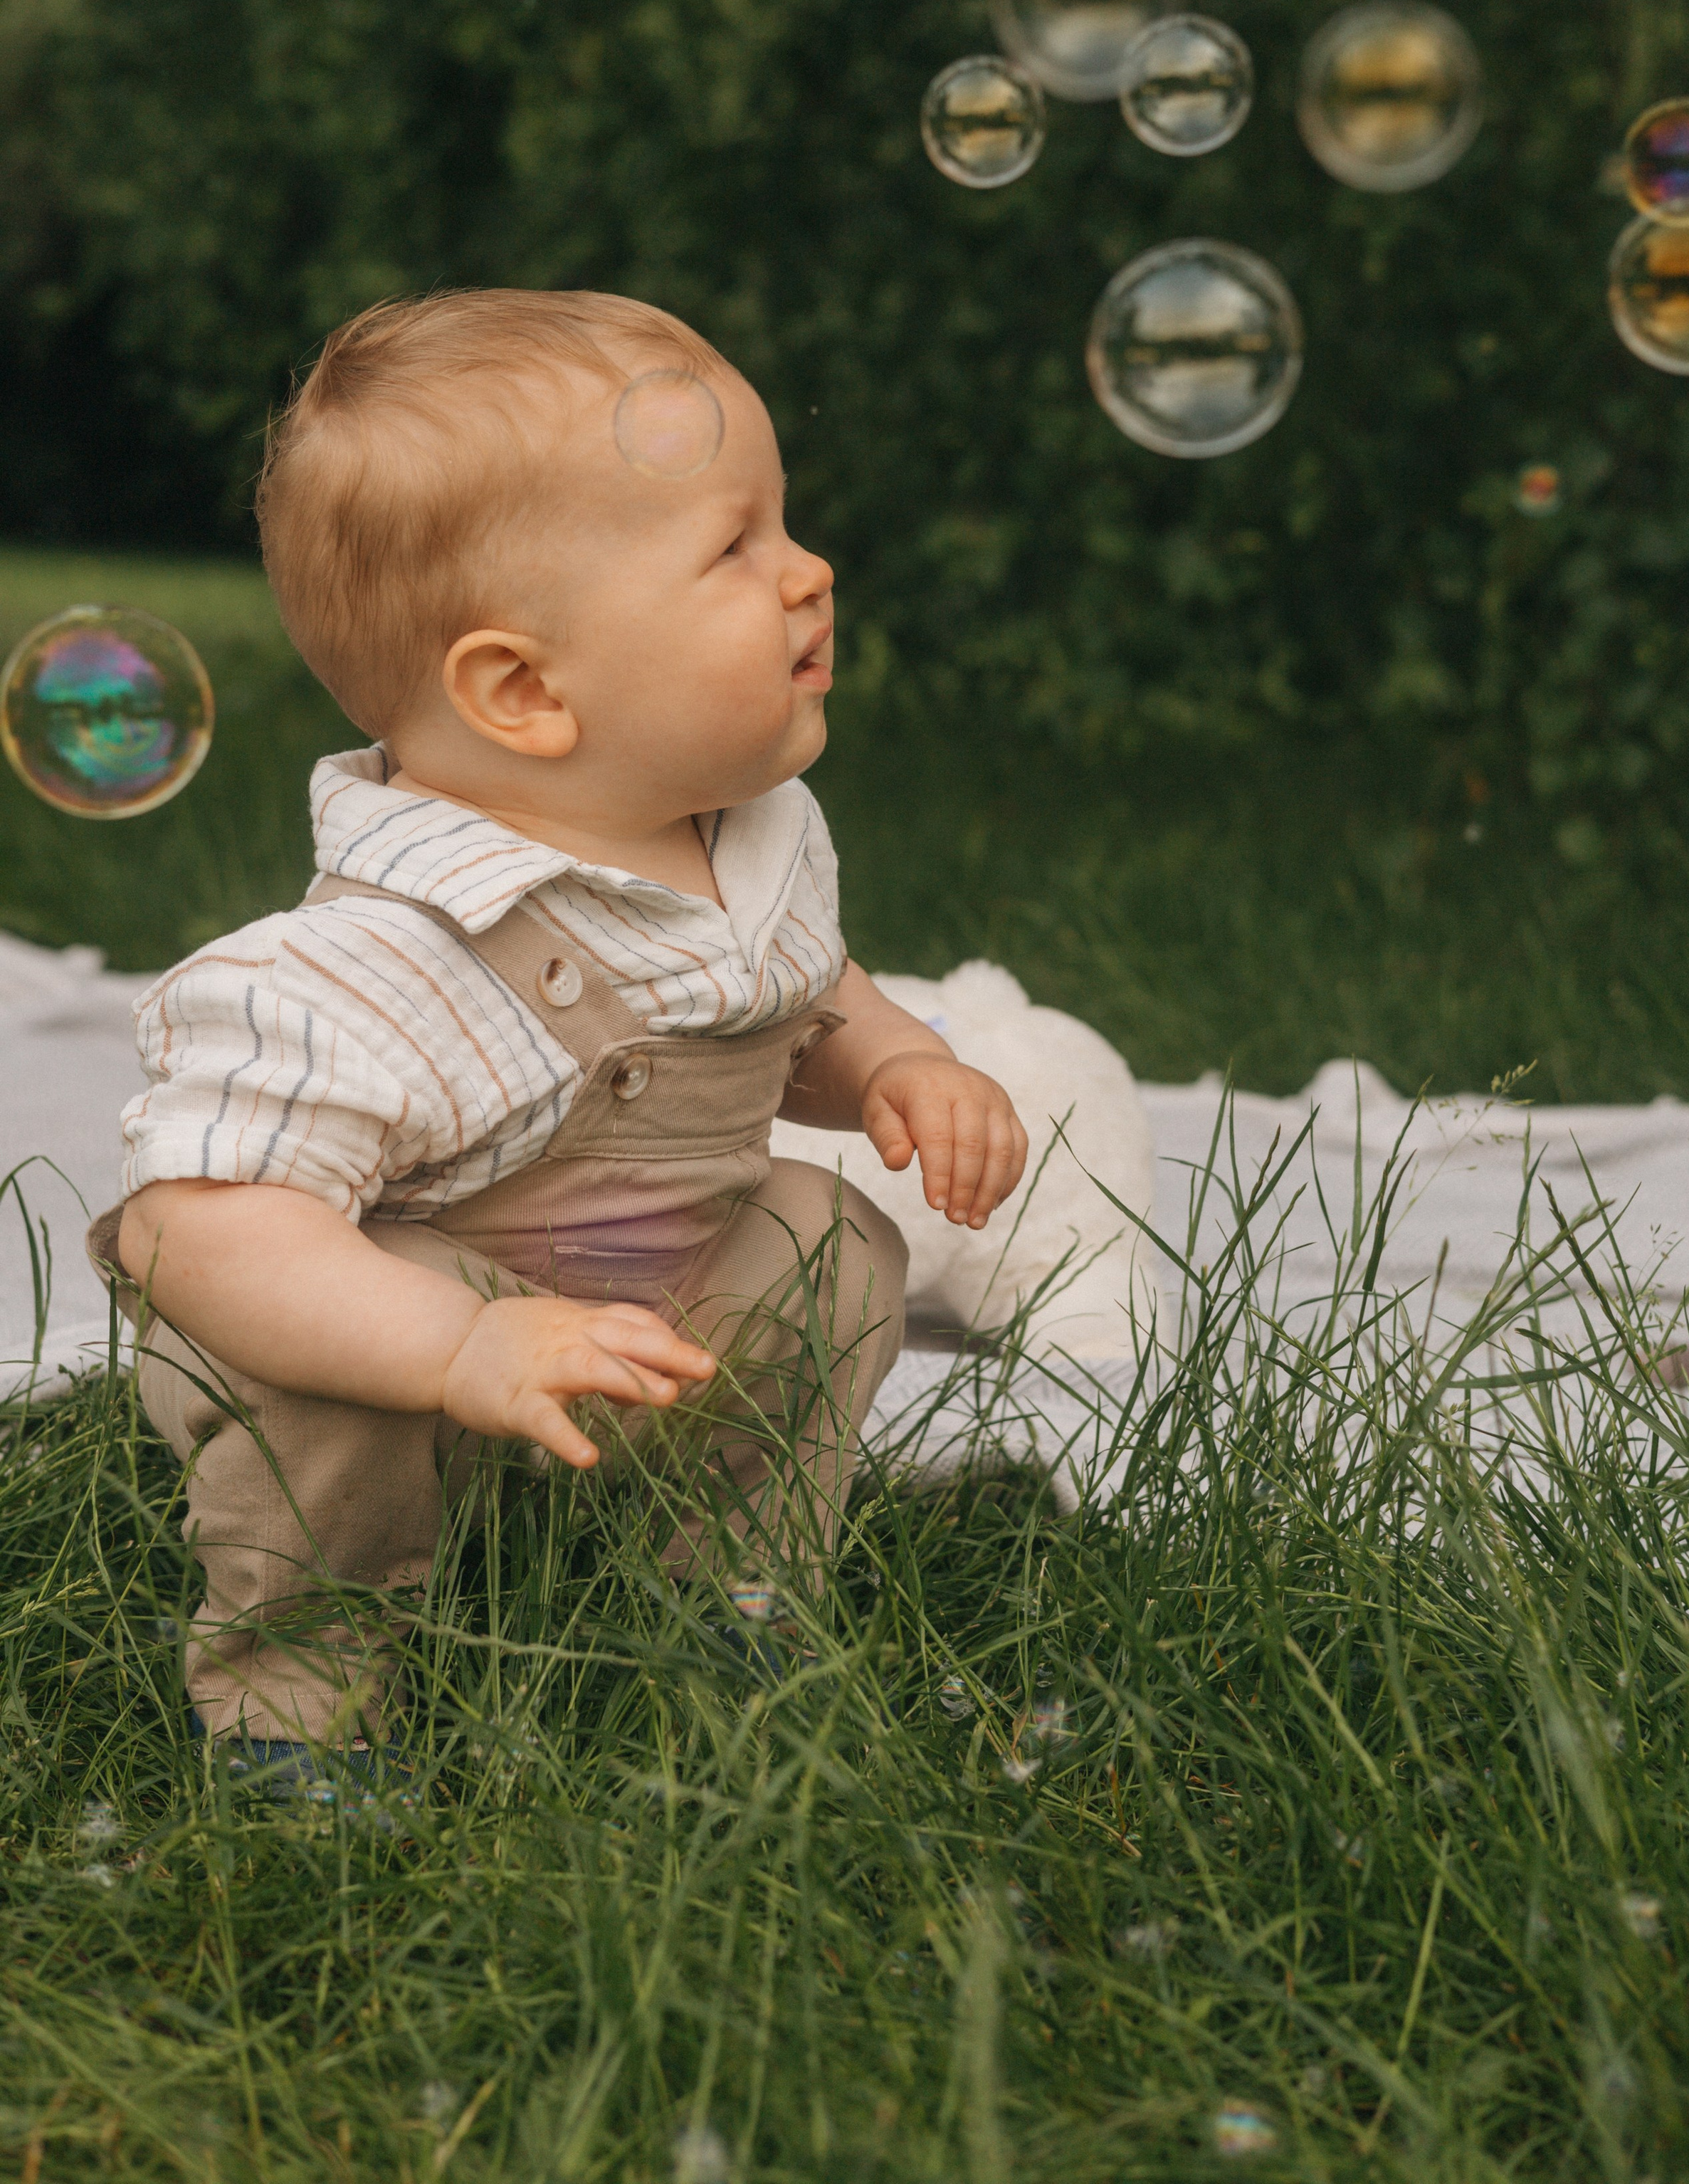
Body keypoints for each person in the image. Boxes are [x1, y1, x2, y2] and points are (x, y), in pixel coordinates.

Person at [89, 288, 1028, 1763]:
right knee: (322, 1403)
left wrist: (897, 1060)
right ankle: (299, 1709)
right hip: (396, 1346)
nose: (809, 572)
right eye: (736, 548)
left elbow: (804, 993)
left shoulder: (753, 839)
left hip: (642, 1317)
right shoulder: (365, 961)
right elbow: (196, 1238)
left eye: (783, 524)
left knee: (827, 1243)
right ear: (522, 689)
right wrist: (454, 1347)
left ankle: (718, 1595)